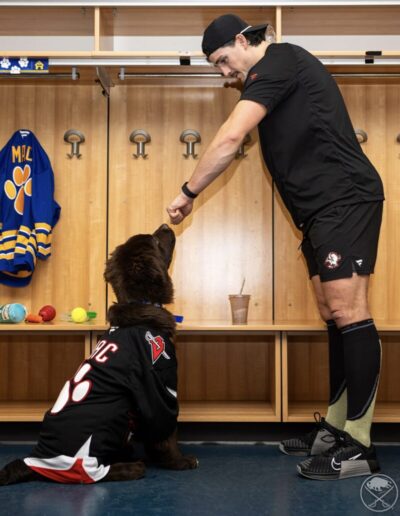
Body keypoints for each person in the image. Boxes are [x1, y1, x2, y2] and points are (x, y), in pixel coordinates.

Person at [166, 14, 384, 481]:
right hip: (317, 212)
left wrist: (187, 193)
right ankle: (337, 428)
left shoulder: (279, 62)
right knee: (332, 312)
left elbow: (229, 137)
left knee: (350, 310)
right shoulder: (275, 72)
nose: (224, 73)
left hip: (344, 199)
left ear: (243, 40)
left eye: (223, 60)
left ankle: (360, 444)